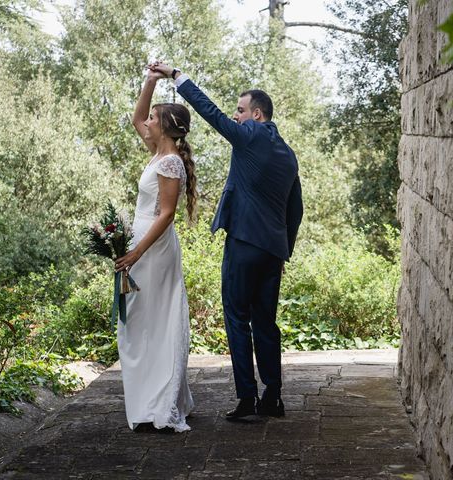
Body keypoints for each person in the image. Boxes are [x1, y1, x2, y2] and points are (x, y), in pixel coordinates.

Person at [149, 61, 303, 420]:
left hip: (245, 243)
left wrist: (176, 76)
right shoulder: (288, 155)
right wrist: (284, 250)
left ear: (257, 115)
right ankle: (273, 398)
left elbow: (210, 113)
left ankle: (247, 400)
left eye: (240, 110)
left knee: (237, 317)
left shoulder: (248, 136)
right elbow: (295, 210)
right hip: (272, 250)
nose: (235, 116)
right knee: (266, 321)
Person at [113, 66, 197, 432]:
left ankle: (160, 402)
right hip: (143, 242)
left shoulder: (170, 161)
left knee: (154, 321)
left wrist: (136, 253)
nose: (146, 121)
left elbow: (167, 214)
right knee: (141, 321)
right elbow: (135, 117)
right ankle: (152, 397)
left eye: (153, 118)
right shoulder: (157, 152)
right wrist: (150, 81)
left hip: (154, 248)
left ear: (164, 126)